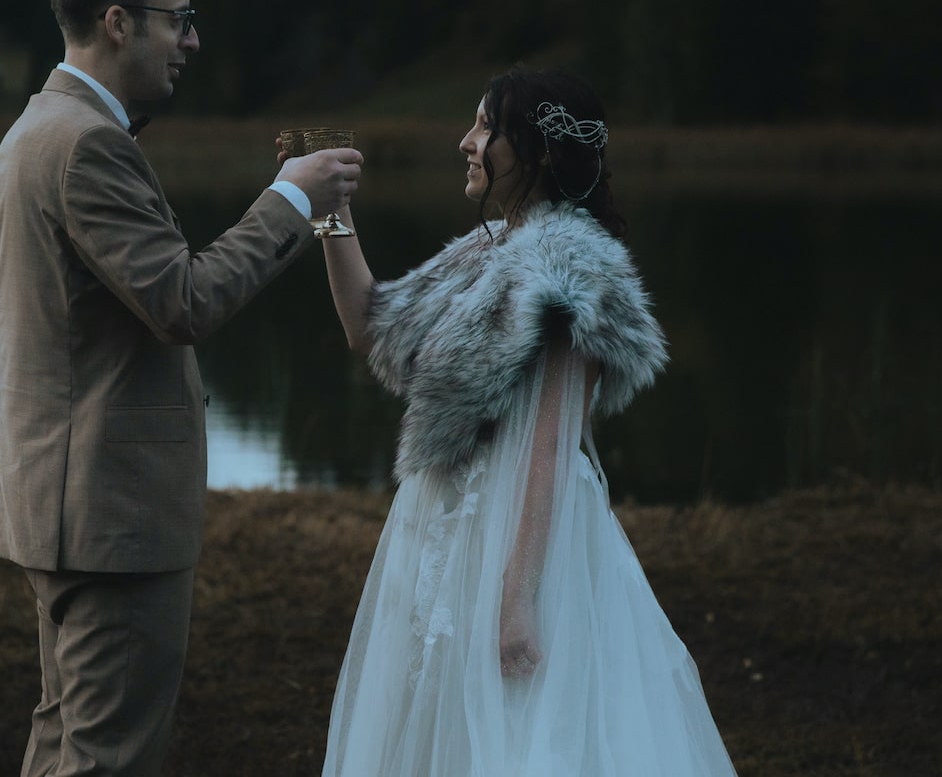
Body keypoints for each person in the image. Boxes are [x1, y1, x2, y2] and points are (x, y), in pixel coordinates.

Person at [0, 0, 361, 777]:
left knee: (66, 743)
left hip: (65, 508)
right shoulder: (88, 145)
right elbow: (184, 302)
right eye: (178, 19)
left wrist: (313, 207)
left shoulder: (37, 128)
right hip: (110, 517)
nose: (192, 40)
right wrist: (289, 199)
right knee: (109, 759)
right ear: (119, 23)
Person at [315, 66, 738, 774]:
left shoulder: (569, 261)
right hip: (450, 521)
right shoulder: (486, 248)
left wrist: (517, 600)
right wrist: (329, 212)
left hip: (526, 534)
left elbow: (550, 441)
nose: (466, 142)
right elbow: (368, 326)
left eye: (487, 128)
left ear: (537, 151)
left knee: (522, 726)